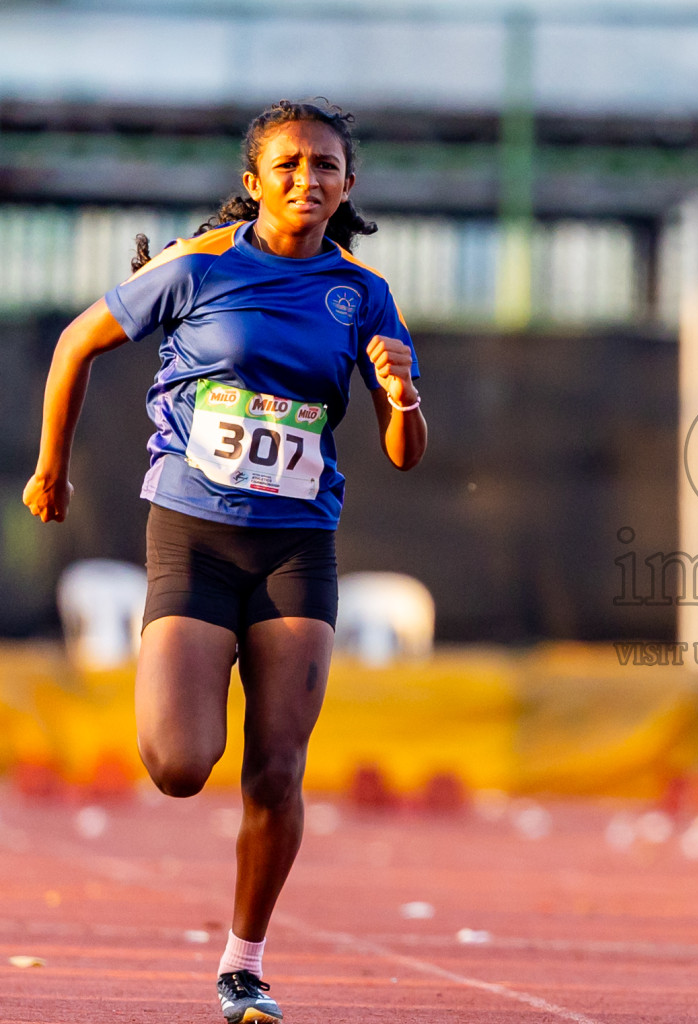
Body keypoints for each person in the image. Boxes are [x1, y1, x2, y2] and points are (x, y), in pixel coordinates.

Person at [23, 99, 426, 1023]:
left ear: (348, 186)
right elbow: (74, 343)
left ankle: (243, 966)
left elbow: (405, 451)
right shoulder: (196, 269)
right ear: (253, 181)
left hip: (297, 549)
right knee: (177, 763)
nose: (305, 180)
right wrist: (54, 468)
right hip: (193, 536)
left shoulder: (362, 293)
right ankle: (177, 669)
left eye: (325, 165)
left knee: (278, 768)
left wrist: (401, 397)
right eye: (285, 164)